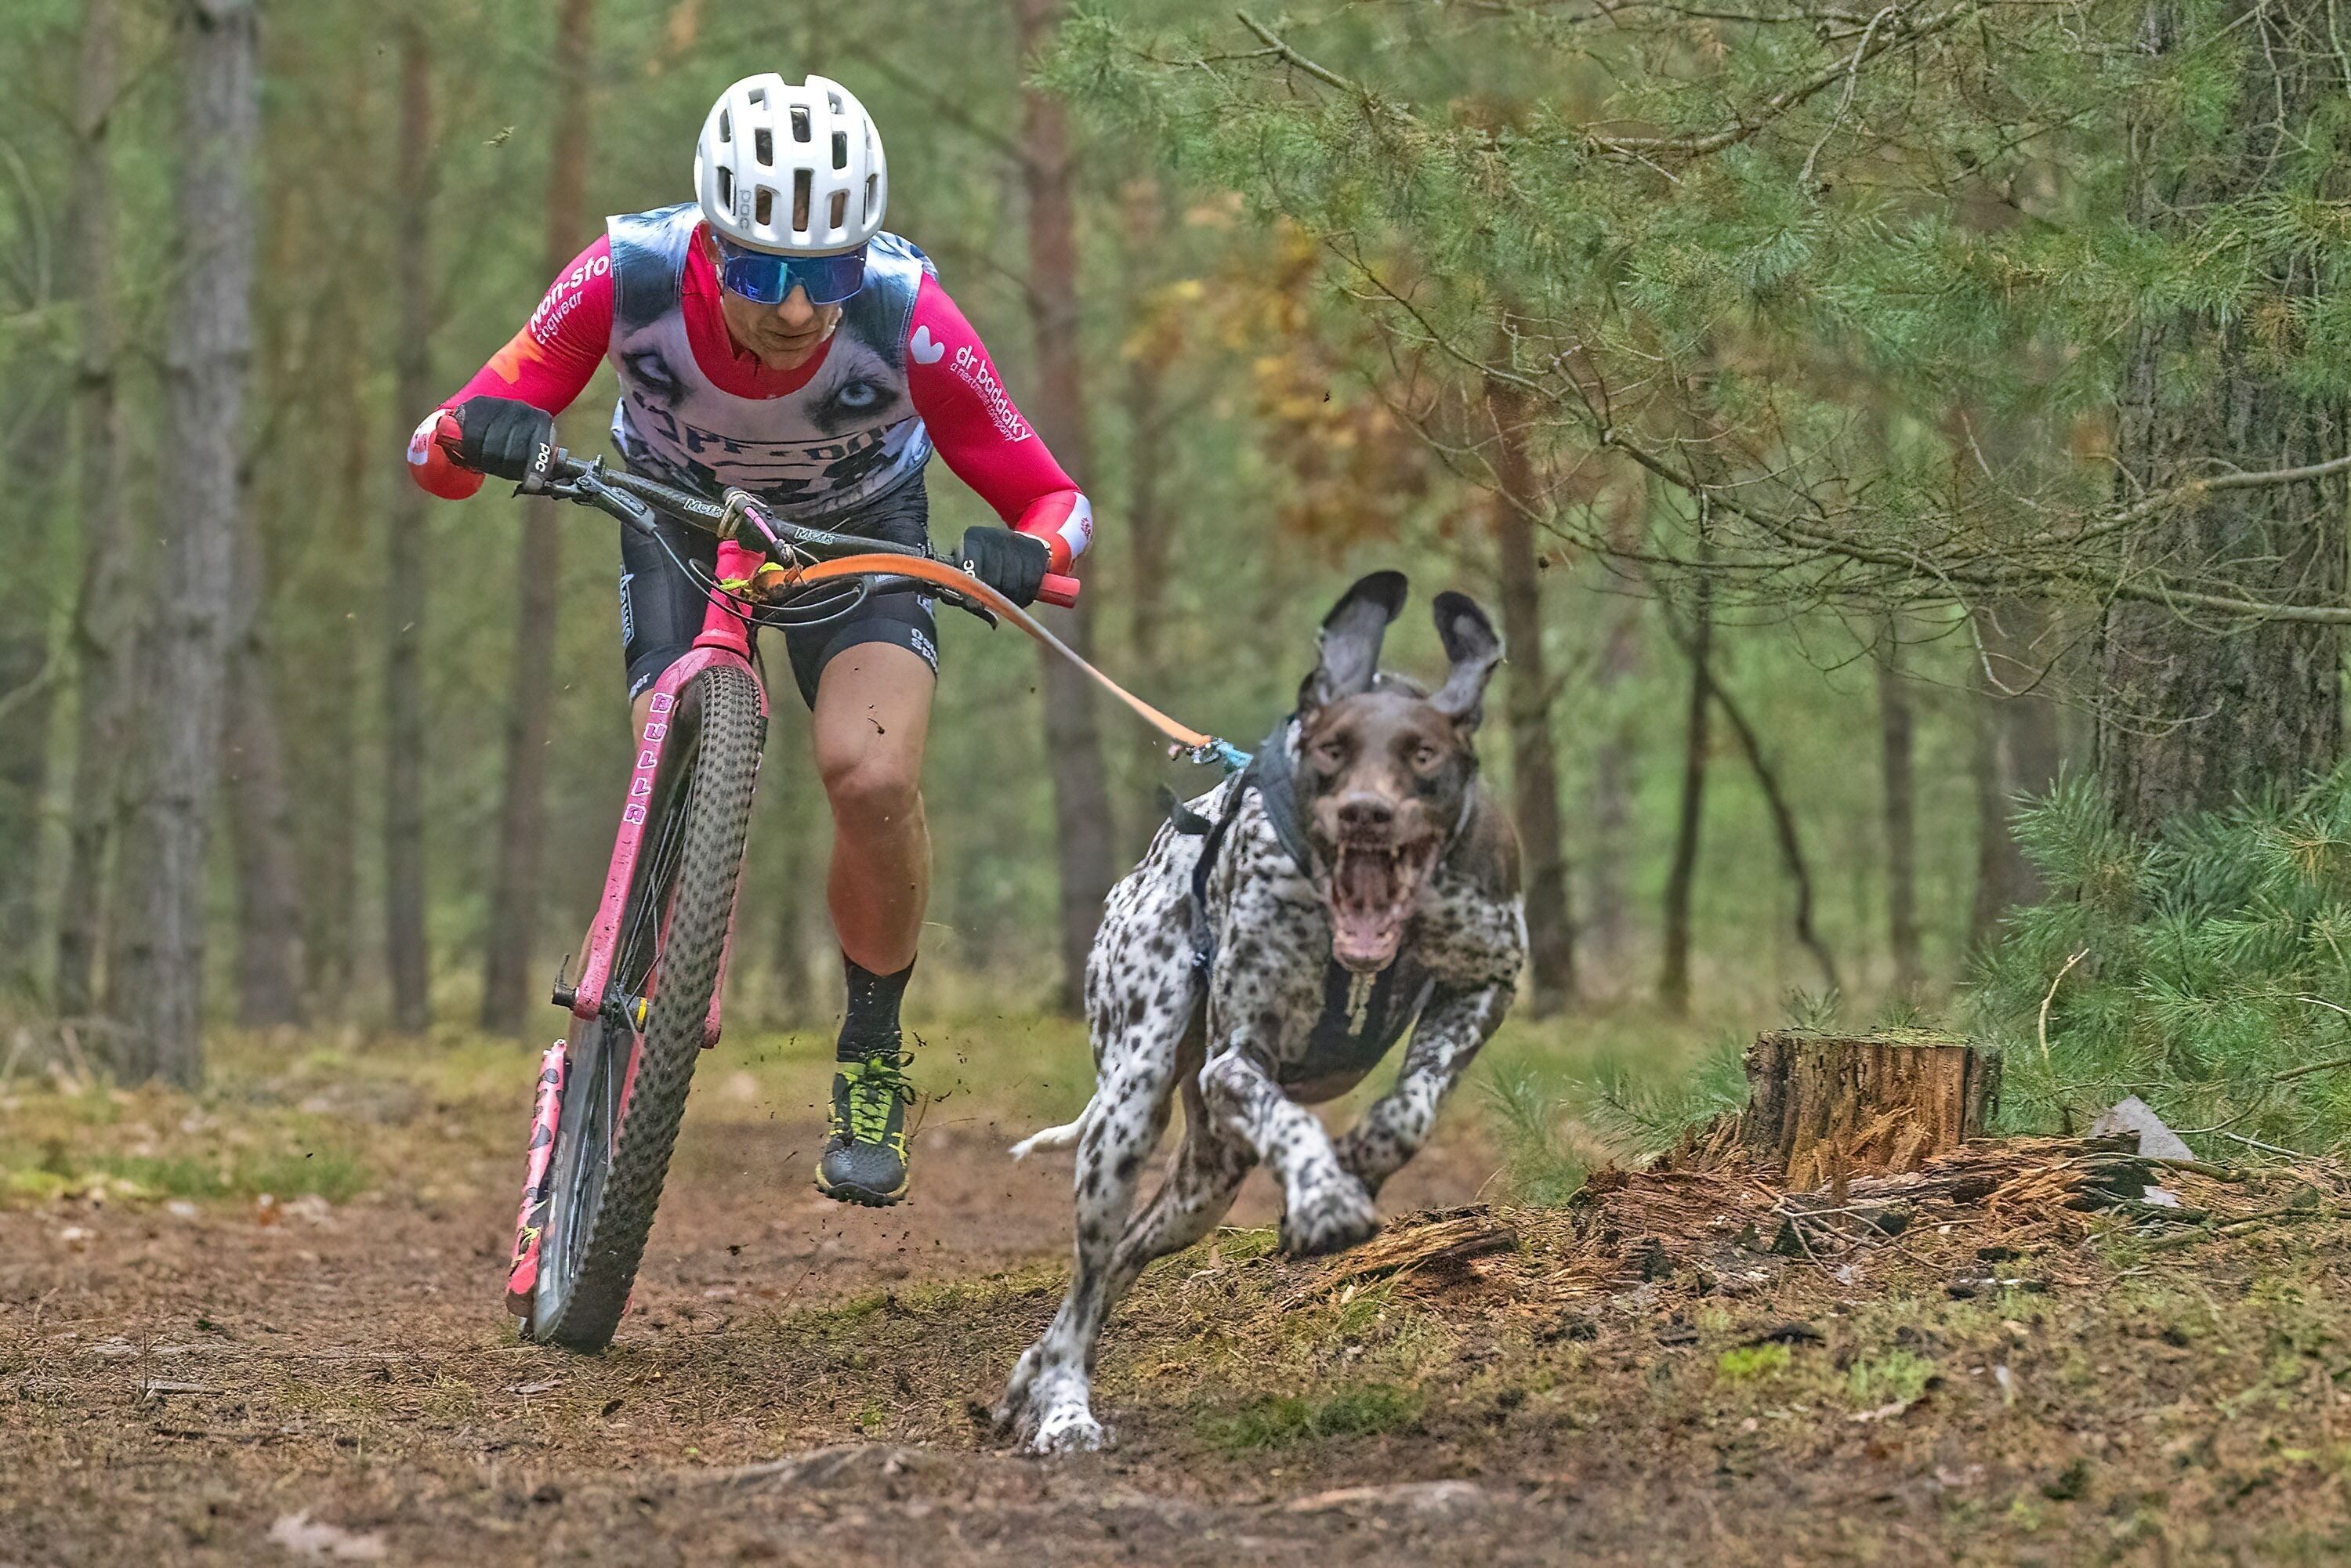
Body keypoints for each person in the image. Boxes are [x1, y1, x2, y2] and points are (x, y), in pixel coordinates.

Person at [407, 72, 1093, 1208]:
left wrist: (1032, 549)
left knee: (871, 776)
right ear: (712, 242)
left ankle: (870, 1052)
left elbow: (1056, 499)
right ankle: (636, 980)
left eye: (829, 272)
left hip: (859, 530)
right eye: (765, 272)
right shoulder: (624, 276)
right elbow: (440, 446)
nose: (799, 309)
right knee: (671, 737)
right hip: (677, 515)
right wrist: (474, 436)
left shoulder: (907, 313)